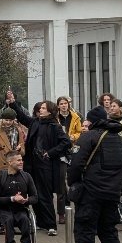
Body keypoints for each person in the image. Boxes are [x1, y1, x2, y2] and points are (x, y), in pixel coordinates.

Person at [68, 107, 122, 243]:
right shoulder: (119, 140)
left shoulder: (88, 137)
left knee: (85, 233)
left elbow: (76, 165)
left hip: (89, 194)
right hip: (111, 194)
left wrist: (73, 183)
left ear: (92, 121)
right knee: (109, 233)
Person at [8, 96, 71, 236]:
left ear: (49, 111)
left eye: (43, 108)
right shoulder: (36, 122)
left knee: (45, 195)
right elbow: (23, 118)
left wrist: (50, 153)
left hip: (46, 166)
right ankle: (41, 222)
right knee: (34, 194)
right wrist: (13, 103)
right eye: (40, 108)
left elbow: (66, 142)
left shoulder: (54, 126)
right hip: (32, 165)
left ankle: (50, 225)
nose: (40, 110)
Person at [0, 151, 37, 243]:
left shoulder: (27, 177)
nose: (22, 162)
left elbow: (35, 197)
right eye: (19, 160)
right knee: (9, 220)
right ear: (10, 162)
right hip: (5, 210)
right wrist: (12, 199)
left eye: (22, 160)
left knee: (25, 219)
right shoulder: (0, 177)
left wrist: (26, 201)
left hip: (21, 209)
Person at [56, 96, 82, 224]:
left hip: (72, 150)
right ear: (58, 106)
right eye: (61, 104)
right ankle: (61, 213)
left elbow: (80, 132)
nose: (63, 106)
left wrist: (74, 136)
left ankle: (77, 210)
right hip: (60, 152)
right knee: (61, 183)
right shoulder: (56, 118)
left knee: (74, 181)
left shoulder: (75, 117)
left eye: (65, 103)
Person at [0, 107, 28, 181]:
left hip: (13, 164)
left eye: (10, 120)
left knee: (13, 187)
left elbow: (23, 152)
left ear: (14, 120)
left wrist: (20, 149)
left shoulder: (18, 130)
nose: (8, 122)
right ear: (2, 119)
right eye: (6, 120)